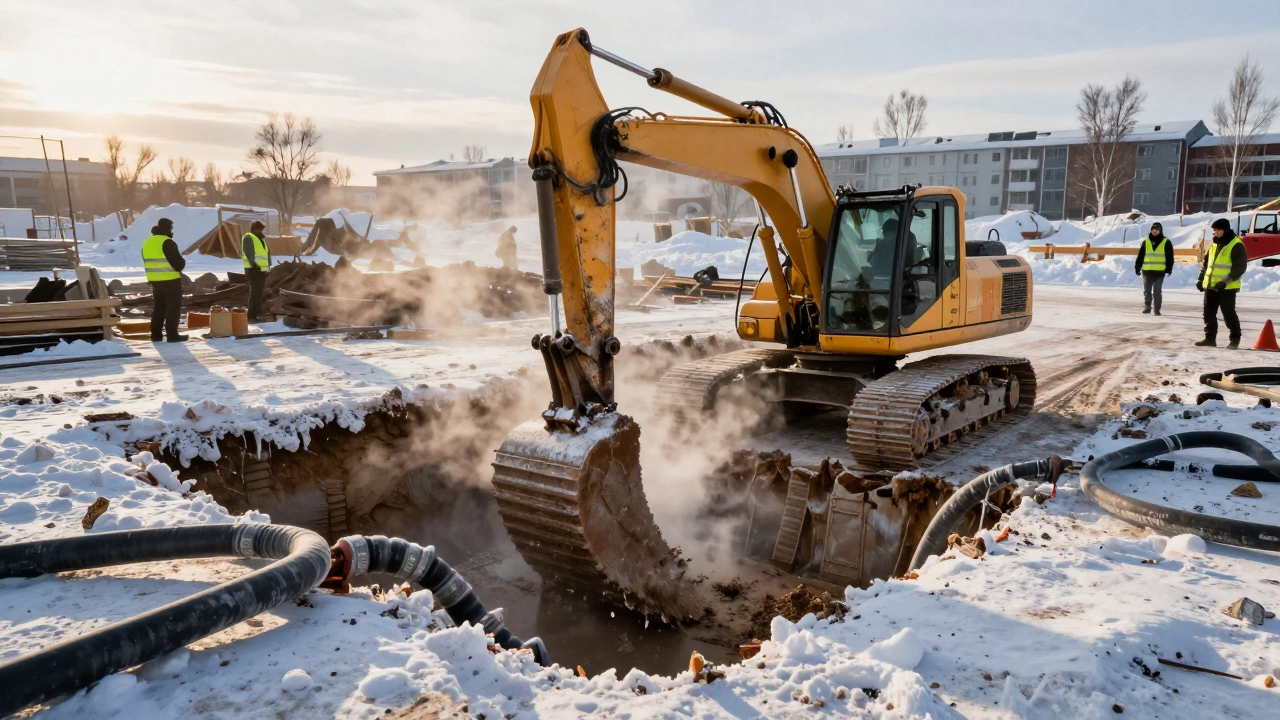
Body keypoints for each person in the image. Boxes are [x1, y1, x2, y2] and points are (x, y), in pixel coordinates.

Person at [1196, 218, 1247, 348]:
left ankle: (1235, 339)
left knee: (1228, 314)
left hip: (1227, 287)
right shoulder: (1214, 244)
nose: (1214, 233)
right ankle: (1210, 338)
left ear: (1223, 230)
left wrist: (1225, 281)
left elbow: (1240, 267)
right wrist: (1201, 279)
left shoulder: (1236, 245)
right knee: (1208, 313)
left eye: (1217, 230)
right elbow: (1207, 264)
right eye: (1214, 230)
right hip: (1212, 286)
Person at [141, 217, 187, 342]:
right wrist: (182, 260)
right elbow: (178, 265)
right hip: (170, 279)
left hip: (155, 281)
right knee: (173, 307)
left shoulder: (147, 242)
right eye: (171, 228)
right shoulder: (167, 242)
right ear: (167, 229)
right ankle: (172, 335)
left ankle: (156, 335)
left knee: (159, 307)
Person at [1134, 221, 1174, 315]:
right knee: (1147, 290)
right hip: (1147, 270)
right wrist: (1137, 267)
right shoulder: (1146, 241)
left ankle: (1157, 309)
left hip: (1159, 271)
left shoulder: (1166, 242)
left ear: (1160, 230)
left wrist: (1169, 269)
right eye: (1153, 229)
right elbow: (1141, 256)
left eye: (1156, 229)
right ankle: (1147, 307)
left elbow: (1170, 257)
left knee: (1157, 291)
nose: (1154, 231)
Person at [241, 220, 271, 321]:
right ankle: (251, 316)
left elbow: (266, 253)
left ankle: (256, 314)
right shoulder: (249, 237)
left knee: (258, 293)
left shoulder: (261, 239)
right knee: (254, 293)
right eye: (260, 229)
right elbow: (249, 253)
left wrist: (268, 266)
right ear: (255, 229)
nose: (262, 231)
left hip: (261, 270)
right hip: (253, 270)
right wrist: (254, 265)